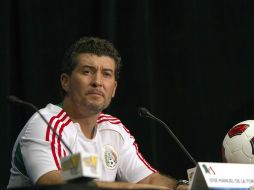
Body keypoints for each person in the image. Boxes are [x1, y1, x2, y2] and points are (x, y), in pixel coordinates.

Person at [7, 37, 189, 190]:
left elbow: (148, 179)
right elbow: (50, 182)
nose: (97, 82)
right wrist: (129, 187)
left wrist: (180, 187)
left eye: (107, 74)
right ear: (65, 81)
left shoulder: (113, 129)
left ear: (114, 88)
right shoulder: (46, 123)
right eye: (87, 72)